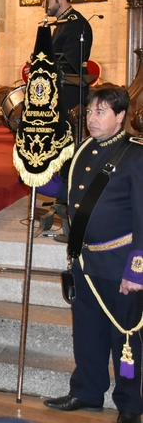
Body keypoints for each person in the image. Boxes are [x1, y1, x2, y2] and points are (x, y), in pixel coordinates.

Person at [39, 86, 143, 423]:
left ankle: (130, 404)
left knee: (125, 337)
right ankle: (87, 391)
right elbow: (67, 192)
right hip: (85, 259)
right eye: (90, 111)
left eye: (101, 112)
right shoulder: (82, 149)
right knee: (87, 331)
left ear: (121, 117)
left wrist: (137, 269)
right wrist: (36, 172)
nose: (92, 119)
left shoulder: (136, 156)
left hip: (119, 261)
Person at [42, 0, 94, 123]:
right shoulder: (63, 23)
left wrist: (43, 66)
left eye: (47, 0)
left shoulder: (75, 23)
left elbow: (70, 60)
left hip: (70, 89)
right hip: (61, 86)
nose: (43, 5)